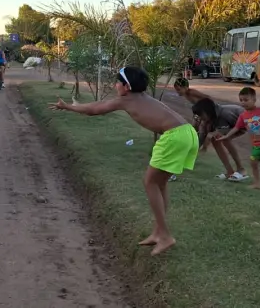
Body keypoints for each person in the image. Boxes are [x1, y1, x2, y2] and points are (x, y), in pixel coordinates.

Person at [49, 66, 197, 256]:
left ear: (126, 86)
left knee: (150, 182)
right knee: (159, 184)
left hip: (174, 136)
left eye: (118, 82)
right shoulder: (142, 97)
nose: (115, 85)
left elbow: (94, 110)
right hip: (187, 132)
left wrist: (67, 107)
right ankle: (158, 232)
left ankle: (165, 235)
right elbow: (99, 105)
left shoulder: (126, 100)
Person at [174, 78, 248, 182]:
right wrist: (195, 149)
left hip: (243, 122)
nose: (201, 119)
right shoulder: (206, 119)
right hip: (218, 117)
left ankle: (241, 170)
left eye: (201, 116)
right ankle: (229, 171)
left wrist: (209, 136)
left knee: (223, 138)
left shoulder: (222, 114)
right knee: (214, 139)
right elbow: (201, 137)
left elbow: (208, 99)